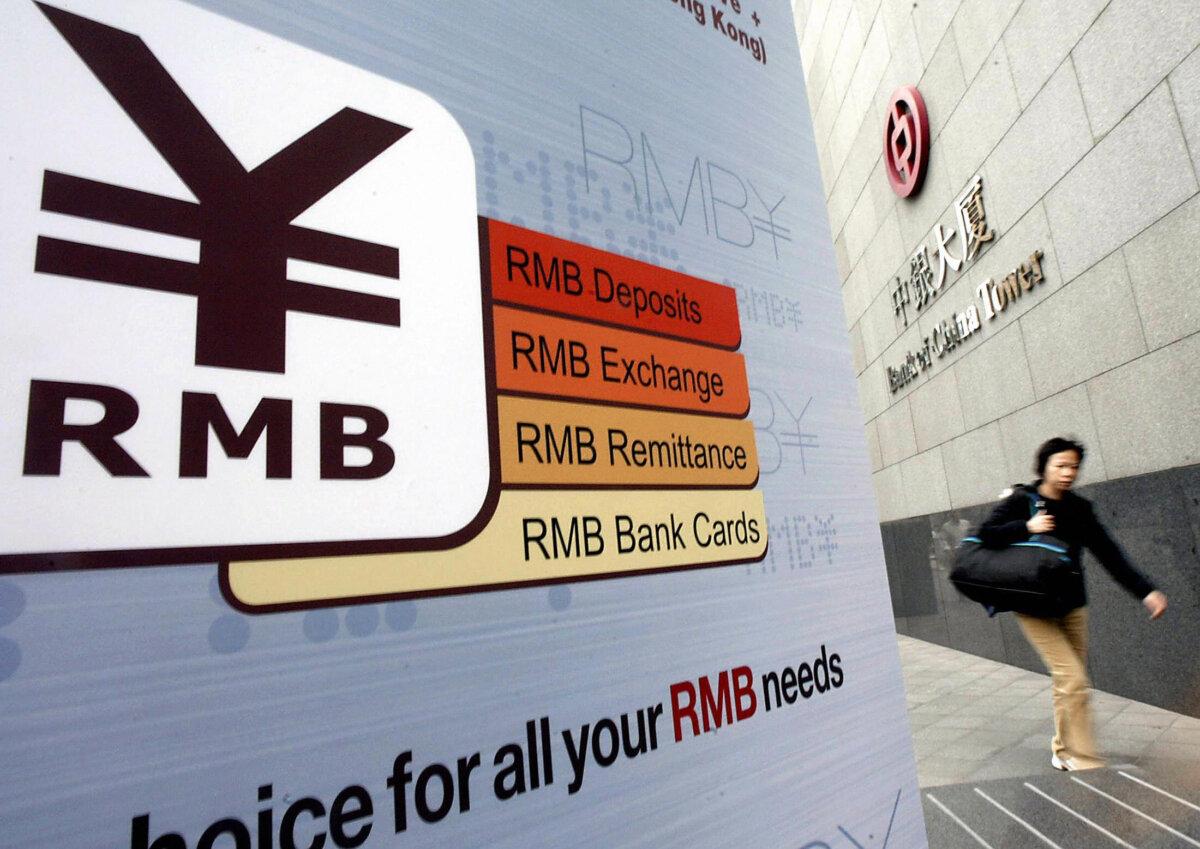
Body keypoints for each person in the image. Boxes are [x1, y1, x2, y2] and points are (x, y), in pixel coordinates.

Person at [978, 437, 1168, 771]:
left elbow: (1109, 554)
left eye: (1074, 467)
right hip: (1033, 606)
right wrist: (1026, 526)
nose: (1068, 473)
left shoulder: (1080, 509)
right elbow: (986, 535)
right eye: (1060, 465)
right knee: (1073, 679)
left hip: (1072, 605)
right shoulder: (1022, 501)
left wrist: (1145, 591)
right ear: (1044, 467)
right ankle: (1084, 759)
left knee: (1068, 681)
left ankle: (1063, 749)